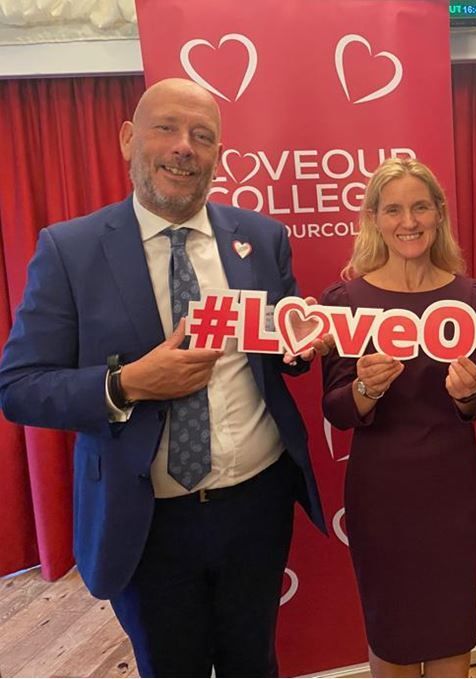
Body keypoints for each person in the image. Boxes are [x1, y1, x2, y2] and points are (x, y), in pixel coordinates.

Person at [0, 78, 330, 677]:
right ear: (130, 139)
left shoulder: (261, 237)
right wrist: (126, 383)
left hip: (256, 504)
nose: (184, 147)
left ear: (217, 157)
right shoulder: (69, 250)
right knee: (169, 666)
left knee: (253, 661)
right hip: (145, 518)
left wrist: (299, 346)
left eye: (202, 137)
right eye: (167, 128)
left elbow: (279, 348)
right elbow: (20, 386)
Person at [321, 157, 476, 678]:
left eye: (420, 207)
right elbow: (335, 407)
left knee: (451, 626)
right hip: (381, 491)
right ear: (374, 219)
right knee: (392, 634)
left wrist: (469, 394)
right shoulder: (346, 300)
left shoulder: (472, 297)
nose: (409, 221)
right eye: (393, 209)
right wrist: (366, 387)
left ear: (439, 214)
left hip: (452, 484)